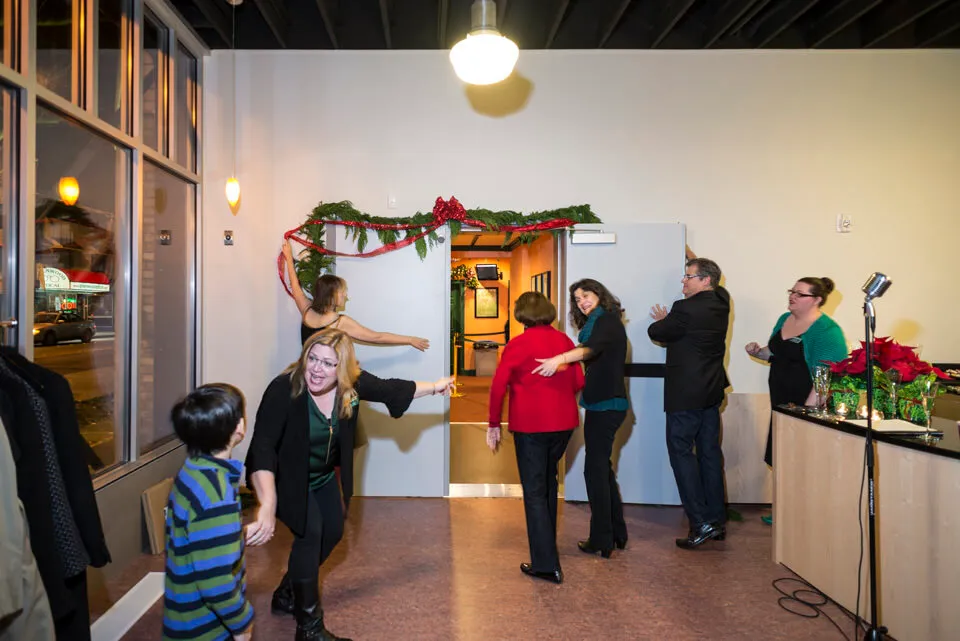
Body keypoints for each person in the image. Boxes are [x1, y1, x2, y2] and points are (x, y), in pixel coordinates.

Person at [245, 329, 453, 641]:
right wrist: (268, 503)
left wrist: (436, 387)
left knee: (334, 531)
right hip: (290, 479)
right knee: (310, 533)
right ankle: (309, 629)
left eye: (327, 364)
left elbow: (389, 389)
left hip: (324, 475)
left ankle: (289, 592)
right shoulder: (284, 389)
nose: (316, 369)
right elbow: (262, 446)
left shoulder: (350, 384)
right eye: (312, 359)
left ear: (341, 368)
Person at [487, 292, 584, 584]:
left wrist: (493, 424)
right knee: (548, 483)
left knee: (534, 491)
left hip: (531, 426)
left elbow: (497, 386)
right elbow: (579, 381)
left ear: (520, 315)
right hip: (563, 424)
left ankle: (545, 563)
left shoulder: (518, 344)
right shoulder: (565, 342)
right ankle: (547, 549)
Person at [532, 279, 628, 558]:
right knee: (602, 470)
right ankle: (616, 533)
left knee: (594, 472)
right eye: (577, 299)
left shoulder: (606, 322)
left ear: (600, 294)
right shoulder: (600, 322)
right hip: (602, 405)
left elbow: (591, 350)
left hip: (607, 406)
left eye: (586, 295)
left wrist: (559, 359)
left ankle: (602, 539)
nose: (582, 301)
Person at [745, 277, 847, 525]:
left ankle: (804, 515)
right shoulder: (784, 319)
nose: (792, 296)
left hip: (806, 404)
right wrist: (758, 351)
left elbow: (826, 374)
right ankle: (784, 509)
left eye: (800, 294)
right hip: (780, 401)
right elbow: (775, 352)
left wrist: (808, 411)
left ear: (817, 300)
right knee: (783, 455)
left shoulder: (826, 331)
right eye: (792, 291)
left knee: (804, 458)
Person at [648, 258, 730, 550]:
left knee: (681, 453)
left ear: (706, 280)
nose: (683, 281)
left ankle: (700, 522)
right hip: (710, 393)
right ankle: (716, 521)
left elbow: (656, 333)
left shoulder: (684, 309)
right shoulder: (723, 301)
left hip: (685, 396)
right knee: (709, 455)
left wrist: (662, 320)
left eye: (688, 276)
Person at [163, 384, 253, 641]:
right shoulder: (217, 493)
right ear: (240, 427)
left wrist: (237, 534)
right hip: (207, 629)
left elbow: (198, 539)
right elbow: (215, 582)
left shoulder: (192, 471)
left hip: (183, 617)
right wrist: (241, 623)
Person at [282, 240, 430, 349]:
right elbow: (376, 337)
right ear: (331, 294)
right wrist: (409, 339)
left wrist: (289, 258)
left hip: (307, 376)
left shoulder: (306, 310)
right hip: (328, 381)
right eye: (342, 292)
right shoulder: (339, 322)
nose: (345, 296)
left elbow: (295, 286)